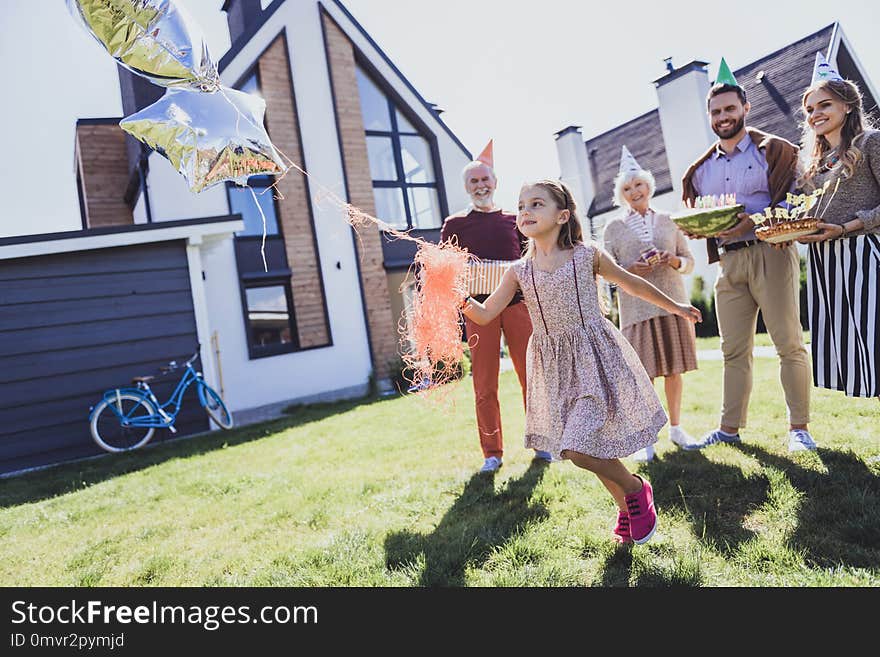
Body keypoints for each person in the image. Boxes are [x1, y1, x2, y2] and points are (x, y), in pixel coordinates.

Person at [461, 179, 702, 544]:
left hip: (594, 357)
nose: (525, 211)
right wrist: (455, 293)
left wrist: (678, 306)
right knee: (589, 445)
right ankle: (626, 506)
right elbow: (484, 314)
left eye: (536, 204)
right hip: (555, 368)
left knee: (577, 449)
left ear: (562, 216)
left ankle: (635, 490)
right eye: (522, 204)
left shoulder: (586, 255)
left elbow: (632, 285)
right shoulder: (518, 272)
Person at [680, 58, 815, 453]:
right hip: (729, 262)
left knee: (788, 343)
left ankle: (799, 429)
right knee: (732, 350)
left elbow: (797, 200)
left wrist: (751, 222)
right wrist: (695, 228)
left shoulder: (774, 150)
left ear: (745, 109)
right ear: (710, 116)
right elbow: (699, 214)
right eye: (716, 111)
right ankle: (729, 429)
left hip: (770, 252)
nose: (724, 117)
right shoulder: (699, 170)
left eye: (730, 109)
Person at [440, 141, 552, 473]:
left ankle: (543, 443)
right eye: (473, 181)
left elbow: (534, 259)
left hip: (519, 307)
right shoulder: (455, 224)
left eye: (484, 179)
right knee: (484, 384)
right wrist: (461, 270)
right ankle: (492, 453)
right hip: (477, 310)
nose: (480, 186)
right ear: (466, 187)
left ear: (495, 182)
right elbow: (445, 269)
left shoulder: (515, 220)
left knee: (531, 377)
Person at [604, 146, 699, 460]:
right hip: (637, 311)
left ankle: (677, 427)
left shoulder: (669, 220)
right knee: (644, 376)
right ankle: (647, 439)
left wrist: (671, 260)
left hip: (673, 303)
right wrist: (633, 270)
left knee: (674, 371)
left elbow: (689, 262)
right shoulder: (613, 229)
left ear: (649, 186)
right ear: (621, 195)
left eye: (639, 185)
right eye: (627, 188)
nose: (634, 192)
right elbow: (608, 274)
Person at [796, 57, 880, 401]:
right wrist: (794, 232)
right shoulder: (813, 164)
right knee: (861, 353)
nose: (815, 113)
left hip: (865, 256)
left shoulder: (871, 142)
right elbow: (811, 215)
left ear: (847, 105)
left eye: (825, 104)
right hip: (827, 264)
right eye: (810, 109)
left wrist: (848, 225)